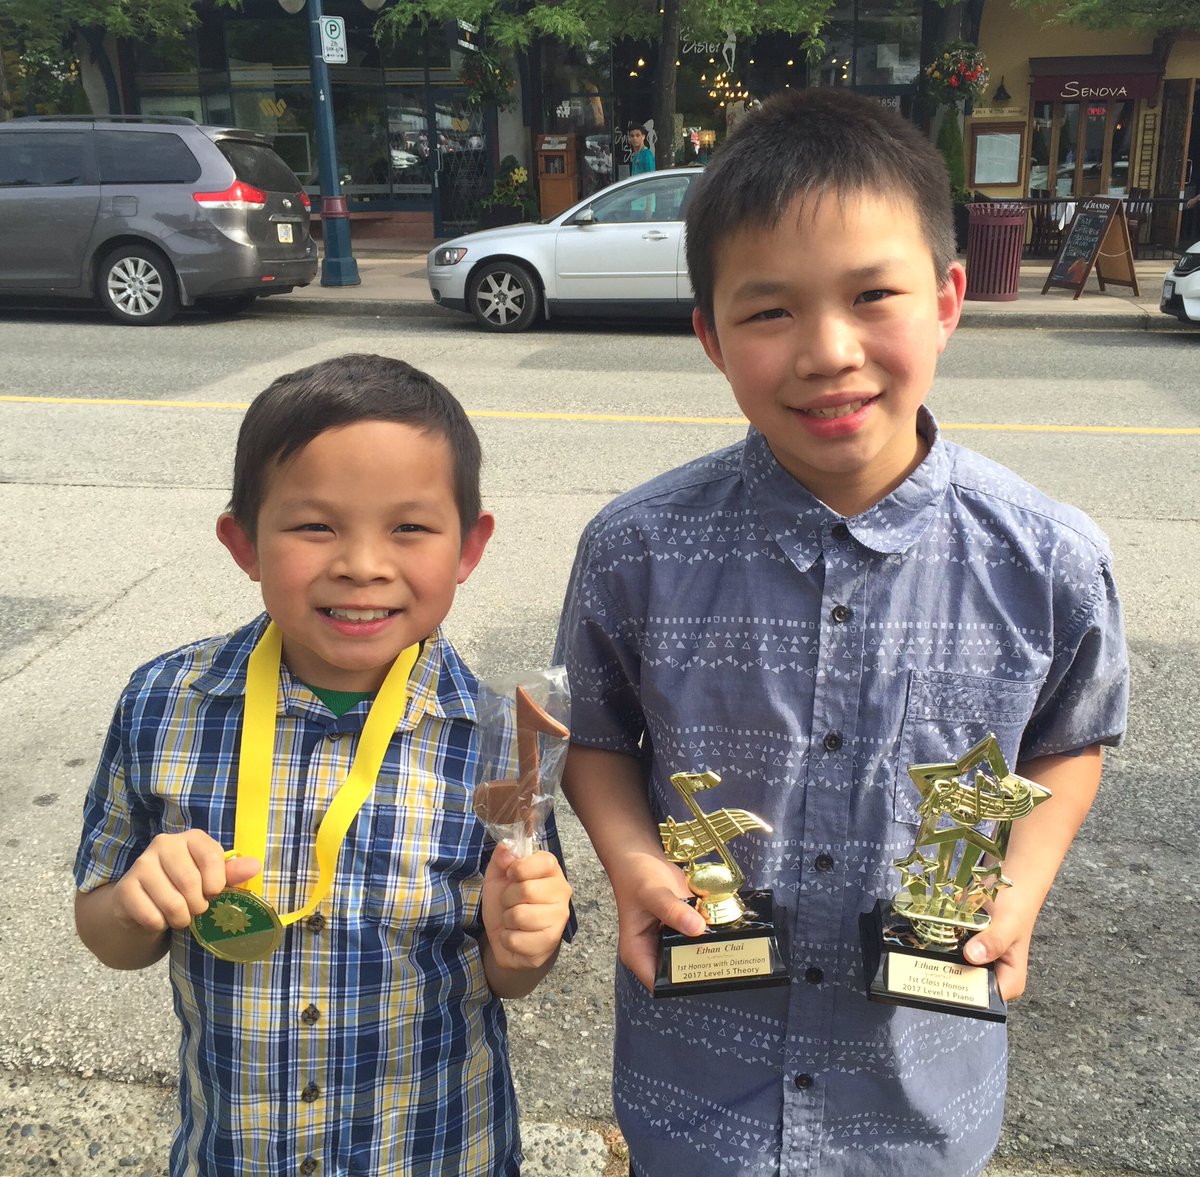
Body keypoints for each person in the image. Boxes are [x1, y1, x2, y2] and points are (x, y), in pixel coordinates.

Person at [555, 88, 1127, 1177]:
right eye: (768, 311)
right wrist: (630, 861)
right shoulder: (636, 550)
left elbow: (1072, 735)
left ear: (949, 298)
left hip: (911, 1105)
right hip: (697, 1094)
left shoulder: (1048, 559)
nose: (827, 350)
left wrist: (1021, 882)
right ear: (710, 337)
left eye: (873, 295)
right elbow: (599, 735)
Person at [75, 354, 574, 1177]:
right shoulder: (166, 703)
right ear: (244, 541)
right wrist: (136, 903)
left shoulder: (492, 737)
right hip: (236, 1154)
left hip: (440, 1152)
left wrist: (524, 946)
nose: (363, 564)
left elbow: (515, 973)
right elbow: (106, 932)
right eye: (315, 526)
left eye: (409, 528)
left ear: (469, 546)